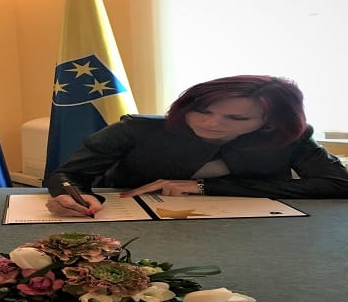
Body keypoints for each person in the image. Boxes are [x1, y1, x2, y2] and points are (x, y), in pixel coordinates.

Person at [44, 75, 348, 216]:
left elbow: (338, 184)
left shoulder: (289, 136)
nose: (212, 123)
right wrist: (72, 194)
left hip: (247, 227)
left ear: (269, 122)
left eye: (236, 118)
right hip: (138, 221)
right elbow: (68, 174)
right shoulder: (136, 129)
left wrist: (204, 187)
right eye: (202, 110)